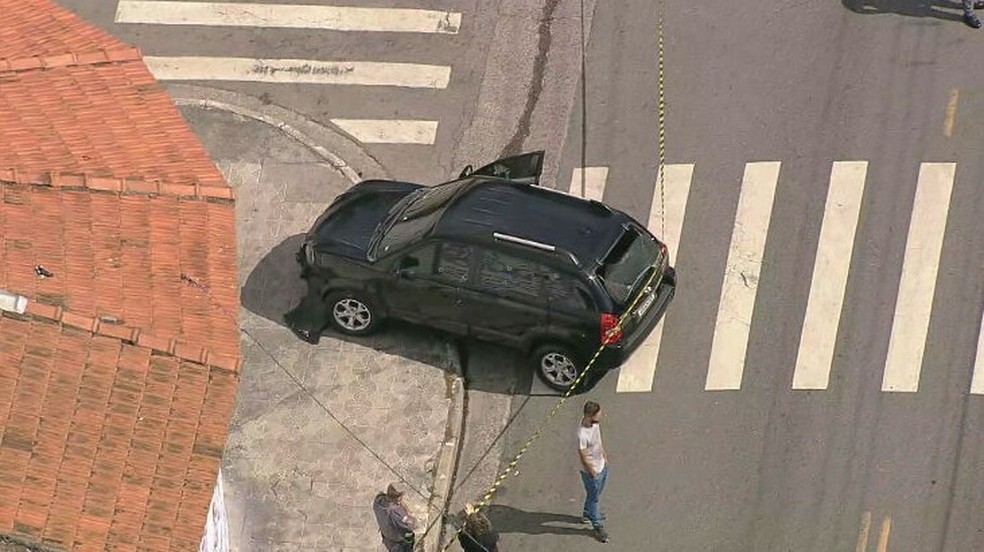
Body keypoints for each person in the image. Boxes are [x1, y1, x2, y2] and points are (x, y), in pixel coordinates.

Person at [577, 401, 609, 543]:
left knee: (594, 494)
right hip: (592, 471)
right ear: (590, 416)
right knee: (594, 498)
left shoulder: (595, 424)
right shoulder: (582, 434)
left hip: (601, 464)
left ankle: (587, 514)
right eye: (598, 414)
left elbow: (598, 441)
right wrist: (592, 471)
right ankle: (597, 525)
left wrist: (604, 455)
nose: (601, 415)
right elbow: (583, 456)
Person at [372, 482, 416, 552]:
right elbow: (410, 527)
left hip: (386, 536)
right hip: (397, 543)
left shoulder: (378, 500)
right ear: (398, 498)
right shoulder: (395, 512)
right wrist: (410, 514)